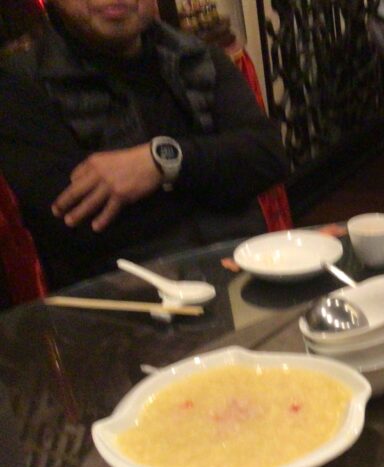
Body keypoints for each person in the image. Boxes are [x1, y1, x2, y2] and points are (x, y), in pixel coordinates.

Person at [0, 0, 289, 289]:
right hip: (122, 301)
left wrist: (160, 163)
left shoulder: (195, 56)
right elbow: (77, 224)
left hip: (241, 277)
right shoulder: (23, 84)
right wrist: (217, 172)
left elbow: (267, 155)